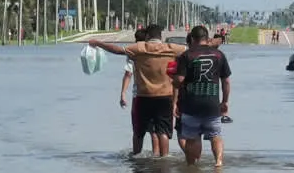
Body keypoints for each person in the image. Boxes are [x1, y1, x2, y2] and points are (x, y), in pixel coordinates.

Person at [89, 21, 182, 157]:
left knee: (139, 131)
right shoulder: (172, 49)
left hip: (143, 96)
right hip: (165, 96)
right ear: (160, 36)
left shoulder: (139, 49)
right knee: (163, 132)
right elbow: (192, 50)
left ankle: (136, 157)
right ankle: (164, 159)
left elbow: (117, 50)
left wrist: (99, 43)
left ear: (148, 36)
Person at [173, 24, 235, 164]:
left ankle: (192, 166)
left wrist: (174, 81)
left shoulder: (186, 56)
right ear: (207, 39)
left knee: (193, 137)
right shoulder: (219, 55)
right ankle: (218, 162)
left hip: (191, 105)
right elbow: (226, 82)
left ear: (193, 39)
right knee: (215, 135)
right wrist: (225, 101)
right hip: (212, 105)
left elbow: (179, 80)